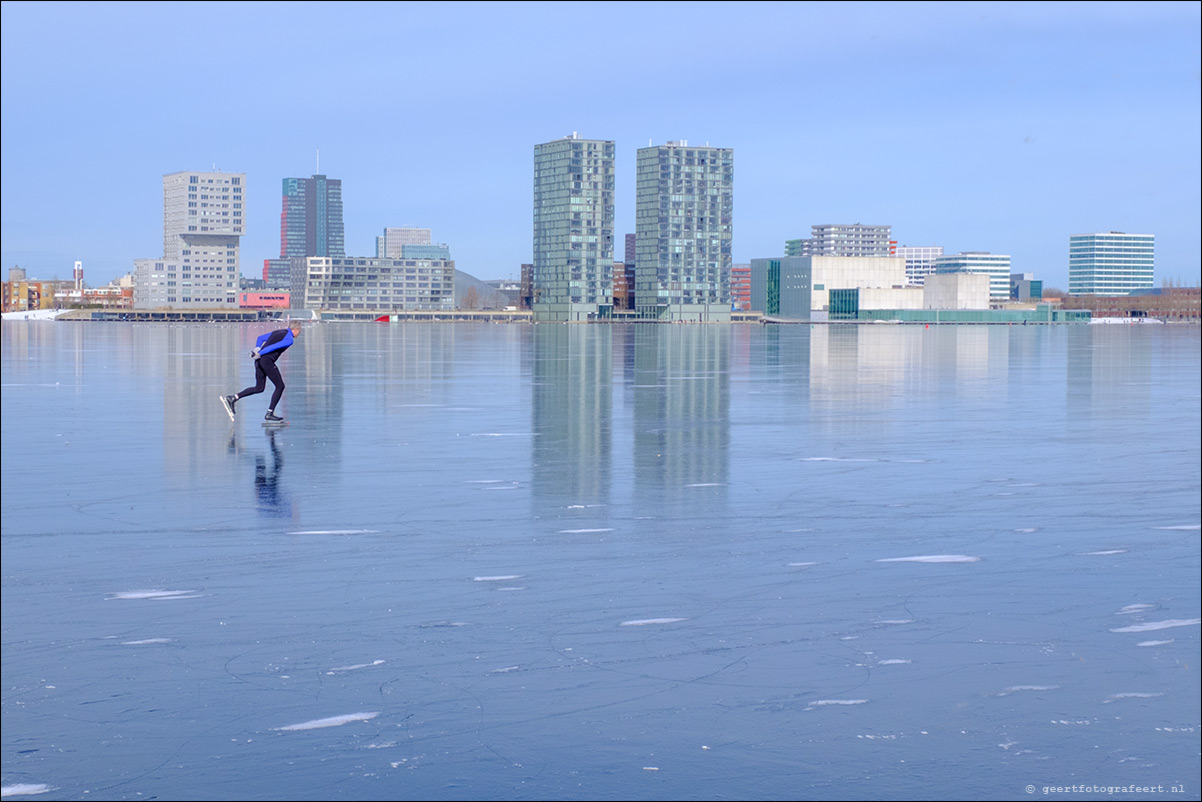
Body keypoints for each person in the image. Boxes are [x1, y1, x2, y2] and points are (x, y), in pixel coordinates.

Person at [221, 322, 302, 423]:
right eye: (300, 331)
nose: (299, 334)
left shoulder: (278, 332)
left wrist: (257, 349)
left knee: (259, 388)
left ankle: (233, 398)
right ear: (296, 330)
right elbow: (274, 347)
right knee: (280, 386)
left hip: (258, 361)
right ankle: (270, 413)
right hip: (266, 361)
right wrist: (259, 352)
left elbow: (260, 338)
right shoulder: (289, 339)